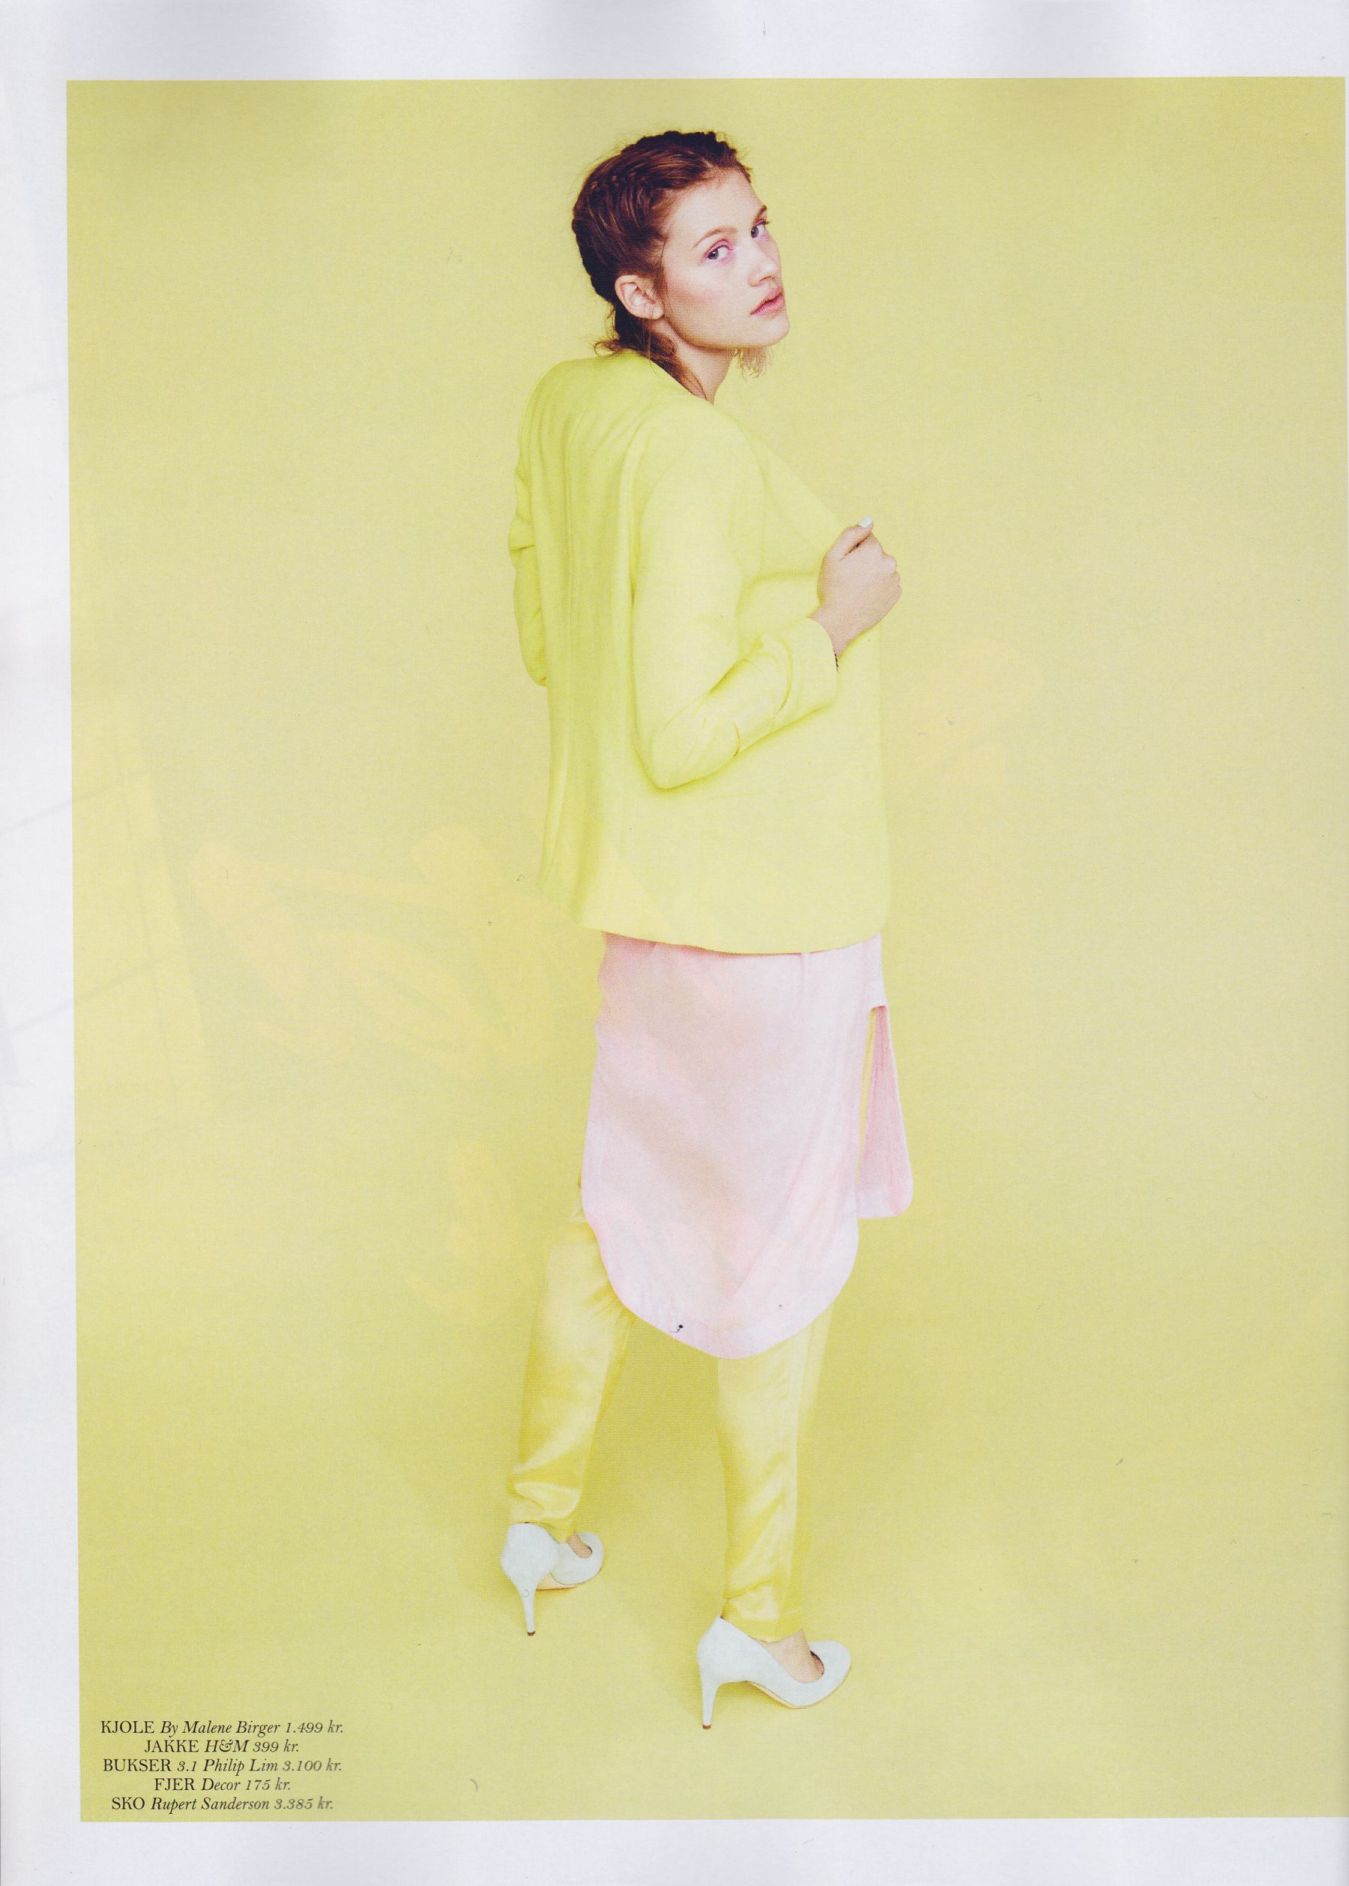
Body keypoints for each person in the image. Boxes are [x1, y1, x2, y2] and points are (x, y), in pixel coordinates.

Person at [498, 129, 913, 1728]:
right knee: (779, 1262)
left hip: (653, 907)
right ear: (640, 287)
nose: (761, 263)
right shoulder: (687, 456)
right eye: (715, 248)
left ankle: (537, 1523)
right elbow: (679, 731)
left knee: (617, 1212)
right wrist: (829, 625)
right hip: (768, 916)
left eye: (760, 227)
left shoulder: (570, 405)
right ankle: (756, 1619)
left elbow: (548, 625)